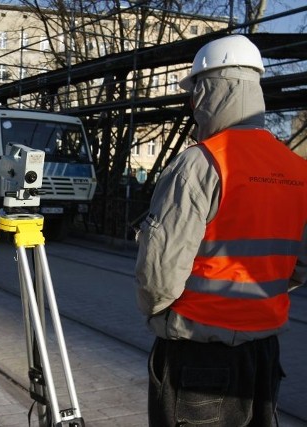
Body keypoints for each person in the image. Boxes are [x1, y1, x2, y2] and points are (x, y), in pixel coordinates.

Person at [134, 34, 307, 426]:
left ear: (209, 90)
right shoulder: (297, 169)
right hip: (264, 356)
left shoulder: (200, 164)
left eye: (193, 92)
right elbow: (299, 265)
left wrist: (161, 314)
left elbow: (159, 276)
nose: (192, 103)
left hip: (199, 357)